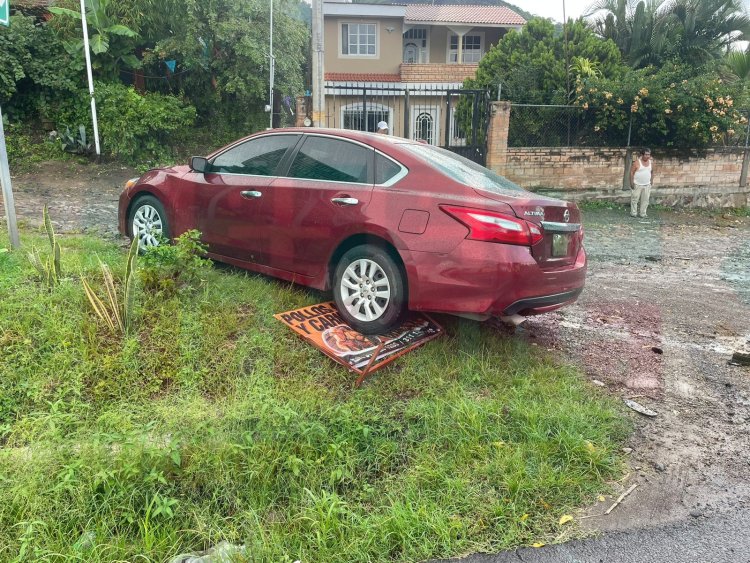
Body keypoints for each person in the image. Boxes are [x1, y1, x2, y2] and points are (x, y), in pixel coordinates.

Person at [630, 148, 654, 218]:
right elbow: (631, 173)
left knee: (645, 200)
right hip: (637, 184)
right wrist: (631, 183)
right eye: (646, 154)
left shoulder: (650, 162)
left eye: (649, 154)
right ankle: (633, 213)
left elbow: (652, 172)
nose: (648, 156)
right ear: (642, 155)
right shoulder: (637, 162)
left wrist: (651, 180)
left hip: (647, 185)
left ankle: (643, 214)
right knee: (634, 199)